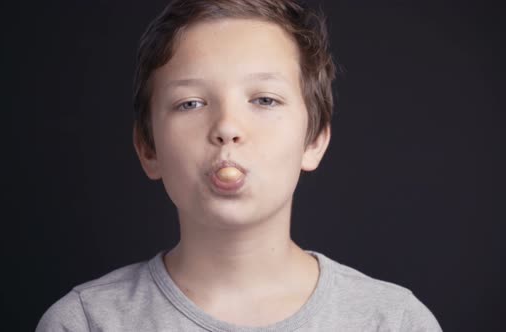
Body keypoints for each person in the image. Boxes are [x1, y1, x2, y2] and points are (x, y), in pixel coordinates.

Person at [36, 0, 442, 331]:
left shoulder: (392, 321)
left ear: (314, 139)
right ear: (148, 148)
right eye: (190, 103)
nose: (227, 127)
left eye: (264, 99)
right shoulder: (87, 322)